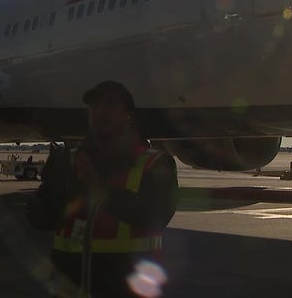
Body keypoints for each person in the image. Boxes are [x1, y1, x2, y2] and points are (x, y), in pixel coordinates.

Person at [27, 80, 179, 297]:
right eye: (95, 106)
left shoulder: (155, 164)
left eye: (110, 104)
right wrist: (55, 188)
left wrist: (98, 187)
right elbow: (39, 220)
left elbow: (153, 218)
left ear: (130, 116)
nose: (100, 111)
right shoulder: (69, 161)